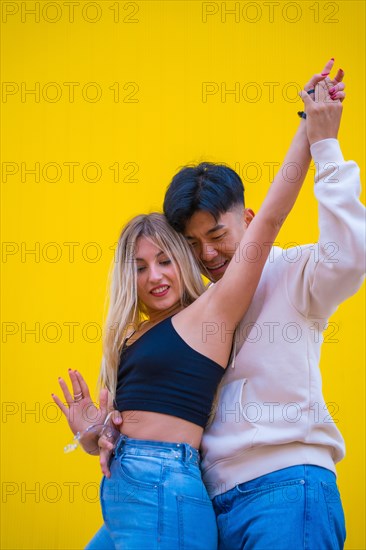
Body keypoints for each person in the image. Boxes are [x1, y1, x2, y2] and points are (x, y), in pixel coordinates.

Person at [53, 61, 350, 549]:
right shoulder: (136, 335)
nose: (156, 275)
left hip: (185, 486)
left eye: (166, 260)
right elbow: (132, 419)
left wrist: (310, 128)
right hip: (140, 491)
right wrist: (95, 433)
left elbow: (272, 215)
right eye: (141, 266)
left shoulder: (212, 311)